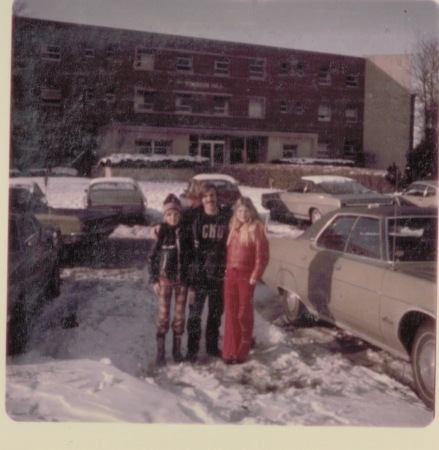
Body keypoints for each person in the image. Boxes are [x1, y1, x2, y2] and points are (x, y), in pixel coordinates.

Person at [185, 183, 232, 362]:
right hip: (199, 276)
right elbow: (171, 221)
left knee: (215, 315)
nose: (209, 199)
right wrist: (157, 228)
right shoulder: (194, 216)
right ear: (201, 198)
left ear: (217, 197)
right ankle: (192, 350)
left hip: (219, 275)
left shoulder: (226, 217)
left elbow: (247, 218)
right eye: (206, 196)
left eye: (212, 195)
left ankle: (212, 347)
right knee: (195, 315)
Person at [222, 197, 269, 364]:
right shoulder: (233, 227)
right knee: (231, 313)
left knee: (243, 313)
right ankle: (229, 352)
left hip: (246, 277)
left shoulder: (256, 228)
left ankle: (242, 350)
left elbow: (262, 255)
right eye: (240, 210)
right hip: (231, 275)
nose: (242, 214)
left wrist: (255, 275)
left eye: (246, 210)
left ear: (251, 211)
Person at [149, 194, 194, 366]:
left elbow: (192, 259)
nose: (173, 217)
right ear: (164, 216)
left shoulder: (186, 232)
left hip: (182, 282)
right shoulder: (161, 233)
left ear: (180, 215)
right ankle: (160, 353)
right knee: (163, 317)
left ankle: (177, 351)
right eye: (169, 215)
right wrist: (154, 280)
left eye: (175, 214)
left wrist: (191, 283)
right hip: (165, 282)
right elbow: (152, 258)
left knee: (180, 316)